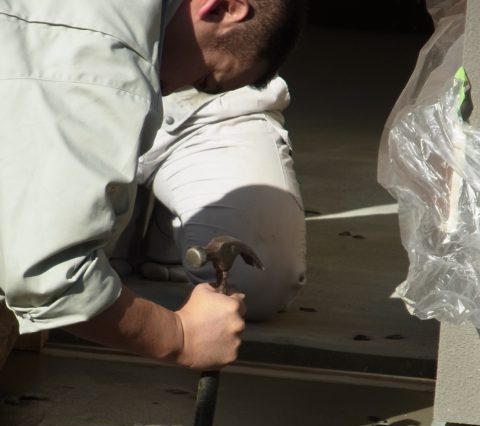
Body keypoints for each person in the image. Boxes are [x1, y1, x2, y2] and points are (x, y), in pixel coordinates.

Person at [0, 0, 308, 372]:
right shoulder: (99, 51)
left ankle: (161, 223)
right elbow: (47, 276)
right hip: (104, 80)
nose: (174, 89)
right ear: (223, 8)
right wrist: (178, 337)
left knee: (258, 284)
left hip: (197, 119)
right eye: (203, 79)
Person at [108, 77, 307, 321]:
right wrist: (173, 337)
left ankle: (168, 223)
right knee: (69, 274)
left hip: (212, 105)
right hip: (88, 100)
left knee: (248, 289)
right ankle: (129, 214)